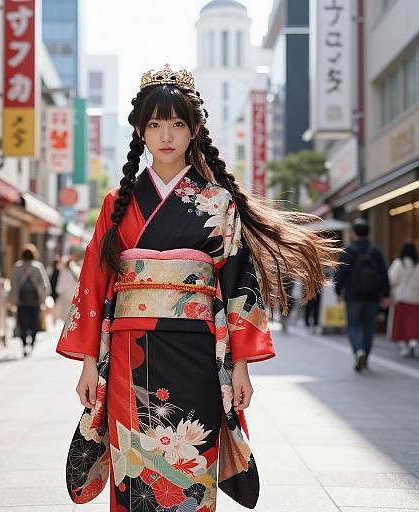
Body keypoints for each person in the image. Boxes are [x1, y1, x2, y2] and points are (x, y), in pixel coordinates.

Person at [56, 64, 338, 511]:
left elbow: (238, 286)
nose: (166, 134)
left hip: (198, 354)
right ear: (140, 132)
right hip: (132, 354)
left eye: (177, 123)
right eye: (154, 124)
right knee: (136, 470)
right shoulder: (117, 203)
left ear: (194, 130)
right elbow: (92, 285)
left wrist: (241, 365)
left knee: (190, 461)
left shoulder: (219, 203)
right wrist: (89, 364)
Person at [334, 218, 390, 372]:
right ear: (369, 233)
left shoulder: (349, 251)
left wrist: (338, 292)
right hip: (373, 296)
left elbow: (340, 274)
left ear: (353, 233)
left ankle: (358, 351)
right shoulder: (376, 251)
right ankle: (365, 355)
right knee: (369, 327)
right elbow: (384, 274)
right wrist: (386, 294)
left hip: (353, 296)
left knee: (352, 326)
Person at [10, 243, 50, 357]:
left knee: (22, 323)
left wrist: (13, 299)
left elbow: (14, 284)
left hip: (21, 300)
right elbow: (44, 284)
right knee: (34, 323)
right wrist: (43, 299)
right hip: (35, 300)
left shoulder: (18, 266)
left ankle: (23, 345)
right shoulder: (37, 267)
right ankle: (32, 344)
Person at [388, 242, 419, 357]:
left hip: (401, 298)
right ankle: (413, 341)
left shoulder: (398, 264)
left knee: (401, 324)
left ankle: (405, 346)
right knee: (414, 323)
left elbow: (391, 280)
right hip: (416, 298)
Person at [55, 245, 84, 322]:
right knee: (71, 314)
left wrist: (59, 291)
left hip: (66, 294)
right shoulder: (77, 269)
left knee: (65, 314)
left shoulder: (65, 270)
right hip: (74, 294)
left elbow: (61, 282)